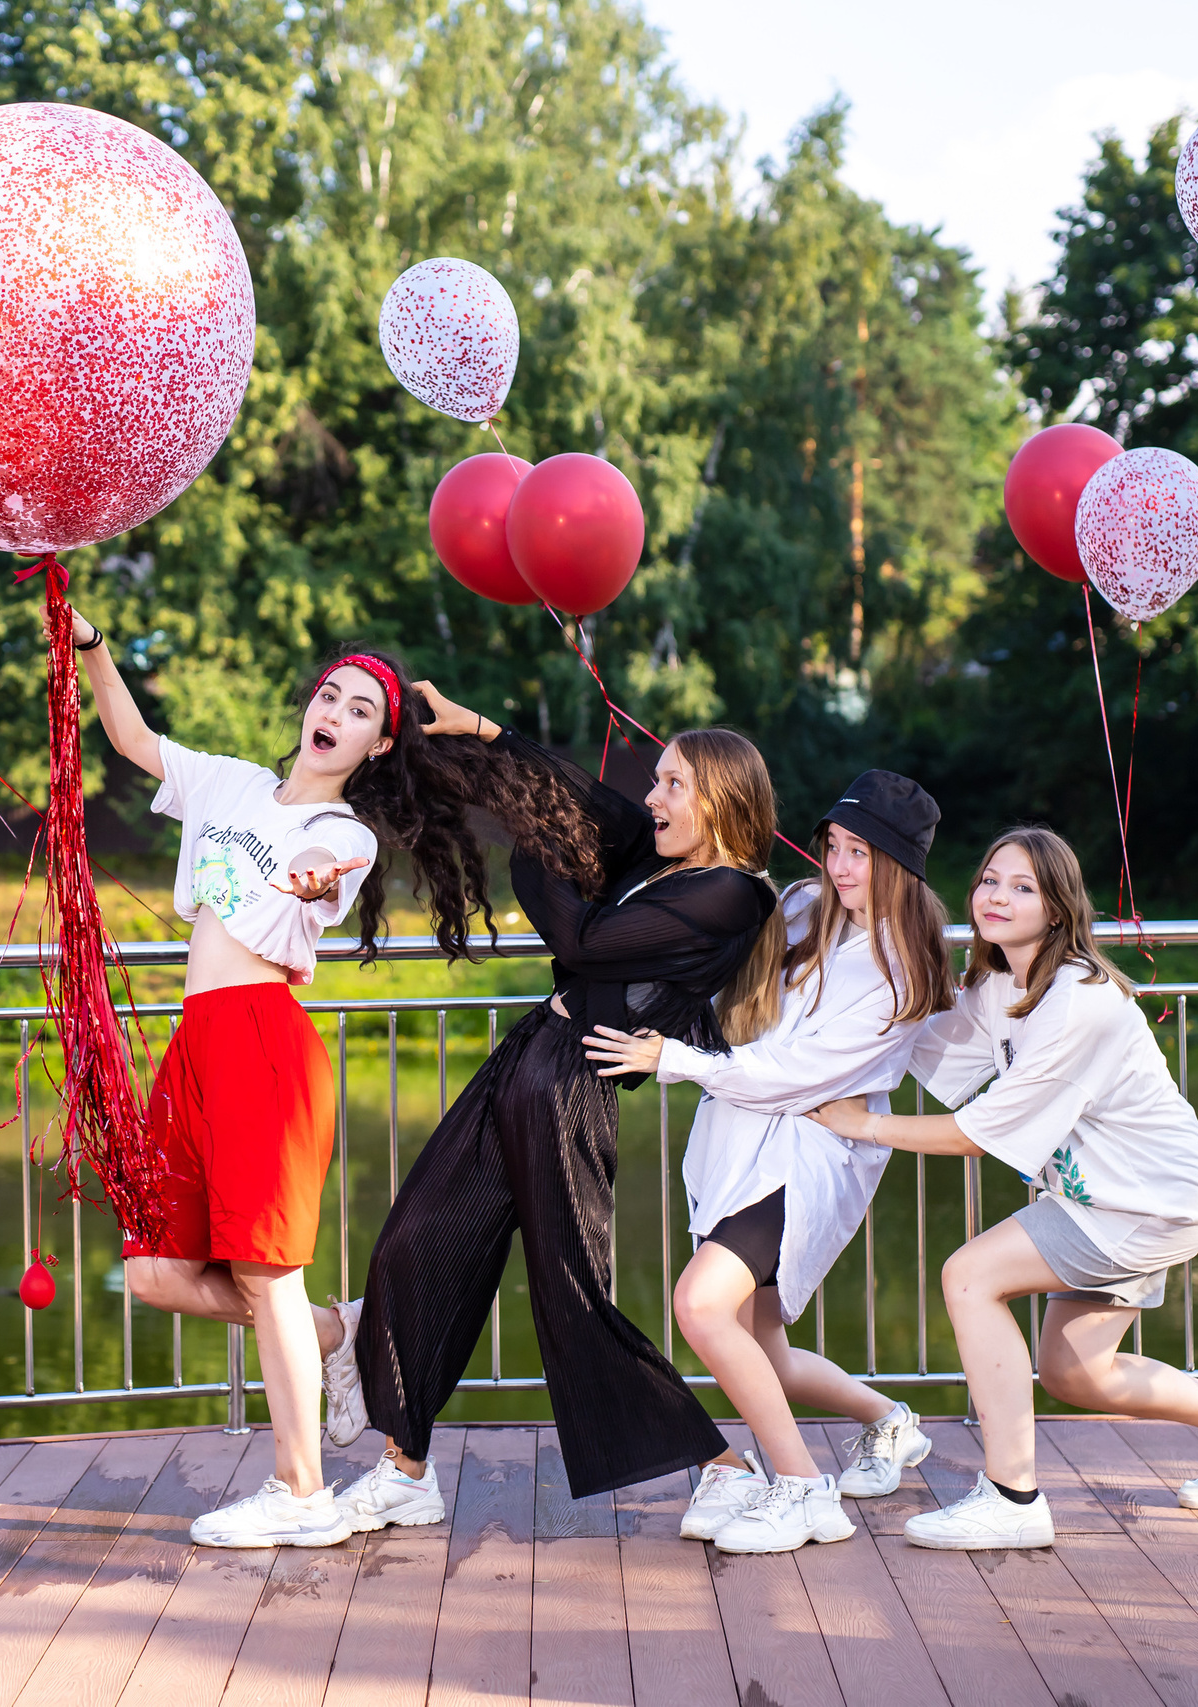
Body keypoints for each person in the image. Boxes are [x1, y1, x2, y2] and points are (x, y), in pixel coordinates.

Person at [69, 607, 492, 1549]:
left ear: (380, 743)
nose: (335, 711)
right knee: (154, 1271)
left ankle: (302, 1490)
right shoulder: (230, 784)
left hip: (263, 1041)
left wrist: (304, 877)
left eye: (361, 708)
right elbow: (133, 738)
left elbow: (321, 867)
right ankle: (333, 1332)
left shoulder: (349, 833)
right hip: (196, 1047)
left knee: (265, 1273)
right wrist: (96, 648)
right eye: (330, 694)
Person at [335, 699, 778, 1532]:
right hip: (534, 1050)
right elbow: (586, 798)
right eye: (657, 778)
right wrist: (485, 731)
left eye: (673, 783)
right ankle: (404, 1466)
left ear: (719, 798)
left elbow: (582, 942)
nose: (653, 796)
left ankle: (723, 1466)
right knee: (421, 1235)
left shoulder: (732, 893)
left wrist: (532, 853)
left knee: (571, 1293)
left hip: (573, 1080)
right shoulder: (661, 852)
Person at [808, 825, 1198, 1550]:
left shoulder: (1077, 999)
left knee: (969, 1276)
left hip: (1151, 1201)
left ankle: (1011, 1496)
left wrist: (863, 1125)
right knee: (1076, 1372)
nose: (997, 896)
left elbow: (974, 1133)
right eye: (990, 880)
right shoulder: (1004, 986)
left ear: (1058, 908)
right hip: (1106, 1196)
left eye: (1023, 886)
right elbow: (919, 1036)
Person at [583, 771, 952, 1554]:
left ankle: (801, 1488)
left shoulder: (905, 970)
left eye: (864, 853)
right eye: (836, 847)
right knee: (767, 1356)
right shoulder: (800, 910)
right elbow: (738, 1004)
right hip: (741, 1137)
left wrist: (671, 1058)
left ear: (904, 866)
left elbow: (798, 1074)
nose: (843, 866)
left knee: (701, 1305)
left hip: (812, 1151)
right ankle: (888, 1420)